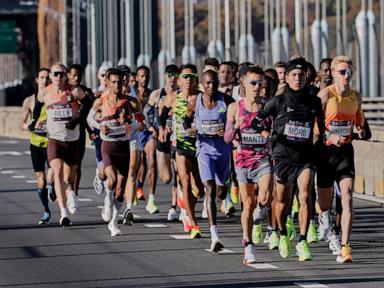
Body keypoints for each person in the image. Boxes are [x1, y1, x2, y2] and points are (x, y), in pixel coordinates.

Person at [252, 58, 325, 261]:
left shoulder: (314, 101)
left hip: (306, 157)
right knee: (282, 203)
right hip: (284, 156)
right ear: (288, 77)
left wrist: (319, 140)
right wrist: (270, 136)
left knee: (304, 196)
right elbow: (257, 123)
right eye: (294, 75)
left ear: (306, 79)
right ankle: (282, 234)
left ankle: (302, 241)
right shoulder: (279, 101)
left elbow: (320, 127)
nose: (298, 78)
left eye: (301, 75)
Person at [316, 55, 366, 263]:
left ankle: (345, 247)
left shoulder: (356, 96)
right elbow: (314, 126)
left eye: (350, 72)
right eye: (343, 72)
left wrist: (361, 130)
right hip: (326, 154)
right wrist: (329, 135)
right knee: (324, 203)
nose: (347, 76)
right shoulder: (325, 96)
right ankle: (323, 219)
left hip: (345, 153)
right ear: (334, 74)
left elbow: (359, 121)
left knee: (347, 197)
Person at [29, 62, 90, 226]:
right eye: (55, 74)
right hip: (55, 140)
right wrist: (34, 121)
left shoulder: (75, 91)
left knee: (68, 177)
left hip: (72, 140)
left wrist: (77, 119)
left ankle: (70, 190)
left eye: (61, 74)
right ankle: (63, 213)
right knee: (56, 172)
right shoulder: (45, 93)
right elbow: (37, 107)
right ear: (51, 76)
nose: (58, 77)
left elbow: (89, 104)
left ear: (66, 76)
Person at [225, 66, 273, 264]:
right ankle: (248, 245)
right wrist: (236, 125)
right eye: (253, 83)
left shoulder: (268, 106)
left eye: (260, 83)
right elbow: (227, 138)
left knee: (266, 195)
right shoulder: (235, 108)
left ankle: (261, 211)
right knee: (247, 204)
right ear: (243, 83)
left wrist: (267, 135)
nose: (256, 87)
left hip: (262, 157)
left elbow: (273, 133)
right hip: (243, 159)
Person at [87, 68, 143, 236]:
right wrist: (100, 126)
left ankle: (114, 222)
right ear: (108, 83)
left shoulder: (132, 102)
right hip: (108, 145)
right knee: (111, 180)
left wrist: (130, 125)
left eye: (120, 81)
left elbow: (141, 124)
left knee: (120, 190)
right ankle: (106, 202)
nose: (118, 85)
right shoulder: (100, 101)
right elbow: (89, 119)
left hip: (123, 146)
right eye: (114, 82)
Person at [193, 70, 232, 252]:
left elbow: (236, 123)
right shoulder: (195, 102)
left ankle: (217, 199)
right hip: (204, 151)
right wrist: (190, 129)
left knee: (221, 194)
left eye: (214, 83)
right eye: (207, 83)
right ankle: (214, 236)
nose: (211, 87)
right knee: (209, 190)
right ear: (202, 83)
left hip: (224, 153)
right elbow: (186, 122)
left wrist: (226, 130)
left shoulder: (227, 101)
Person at [143, 64, 180, 221]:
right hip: (162, 139)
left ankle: (174, 207)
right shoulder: (157, 94)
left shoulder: (182, 94)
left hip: (178, 138)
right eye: (169, 75)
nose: (172, 78)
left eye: (175, 75)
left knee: (180, 173)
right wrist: (152, 128)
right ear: (165, 76)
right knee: (166, 178)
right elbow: (145, 112)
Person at [21, 68, 55, 224]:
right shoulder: (29, 100)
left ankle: (51, 186)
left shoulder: (54, 98)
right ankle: (46, 210)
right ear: (37, 80)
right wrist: (30, 126)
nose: (45, 80)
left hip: (51, 141)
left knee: (55, 170)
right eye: (42, 77)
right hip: (36, 142)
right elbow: (21, 124)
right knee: (40, 179)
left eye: (47, 77)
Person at [67, 64, 94, 196]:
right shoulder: (63, 90)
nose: (76, 77)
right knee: (63, 164)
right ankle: (61, 186)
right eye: (74, 75)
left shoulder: (86, 92)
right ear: (68, 76)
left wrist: (90, 131)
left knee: (77, 164)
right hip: (63, 131)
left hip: (79, 130)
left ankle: (74, 193)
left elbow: (85, 115)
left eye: (79, 75)